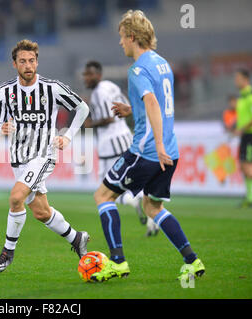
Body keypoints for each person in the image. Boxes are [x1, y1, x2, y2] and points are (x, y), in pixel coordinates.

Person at [89, 10, 205, 282]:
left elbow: (152, 103)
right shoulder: (162, 64)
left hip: (147, 151)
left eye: (121, 38)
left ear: (131, 37)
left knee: (103, 197)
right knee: (153, 208)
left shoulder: (137, 69)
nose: (120, 43)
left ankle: (117, 262)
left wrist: (159, 145)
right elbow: (159, 105)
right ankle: (192, 261)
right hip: (169, 152)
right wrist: (132, 109)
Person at [0, 39, 90, 273]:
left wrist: (68, 136)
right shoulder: (6, 92)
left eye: (31, 61)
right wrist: (0, 129)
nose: (28, 65)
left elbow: (82, 108)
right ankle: (77, 238)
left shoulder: (51, 88)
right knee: (41, 212)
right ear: (14, 64)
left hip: (44, 154)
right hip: (18, 159)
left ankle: (7, 252)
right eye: (22, 61)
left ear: (37, 62)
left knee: (16, 198)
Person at [82, 60, 159, 237]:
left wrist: (90, 123)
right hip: (124, 136)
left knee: (105, 188)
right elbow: (125, 103)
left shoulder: (98, 93)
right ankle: (150, 216)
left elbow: (109, 118)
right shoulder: (110, 86)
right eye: (85, 75)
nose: (86, 78)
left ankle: (134, 200)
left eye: (89, 74)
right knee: (128, 179)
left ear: (98, 75)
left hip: (110, 142)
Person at [233, 69, 252, 208]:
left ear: (246, 80)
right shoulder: (241, 99)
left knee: (247, 166)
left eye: (238, 78)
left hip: (251, 135)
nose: (236, 81)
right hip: (245, 136)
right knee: (243, 166)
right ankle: (251, 198)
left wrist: (243, 128)